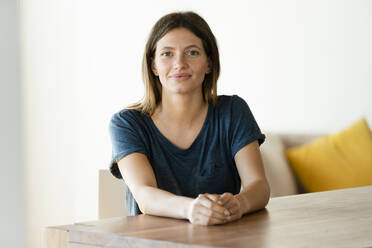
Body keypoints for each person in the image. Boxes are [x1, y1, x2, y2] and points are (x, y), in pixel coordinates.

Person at [109, 11, 270, 226]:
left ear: (209, 63)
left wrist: (239, 203)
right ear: (154, 65)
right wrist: (191, 209)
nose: (179, 64)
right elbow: (145, 195)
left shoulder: (233, 111)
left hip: (222, 240)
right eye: (167, 54)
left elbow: (259, 185)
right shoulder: (127, 123)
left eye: (192, 52)